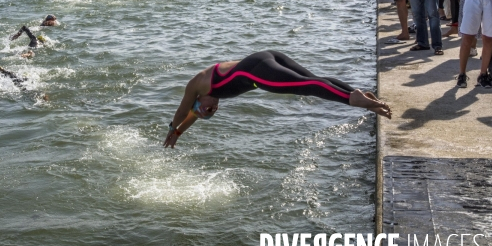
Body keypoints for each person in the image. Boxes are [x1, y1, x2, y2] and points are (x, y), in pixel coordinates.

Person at [163, 50, 392, 148]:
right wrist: (180, 134)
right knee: (313, 79)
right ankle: (357, 94)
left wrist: (172, 130)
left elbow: (184, 111)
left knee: (305, 86)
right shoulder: (207, 93)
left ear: (199, 99)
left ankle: (351, 98)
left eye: (208, 110)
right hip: (265, 57)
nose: (213, 109)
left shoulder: (197, 84)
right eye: (212, 113)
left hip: (255, 71)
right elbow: (194, 114)